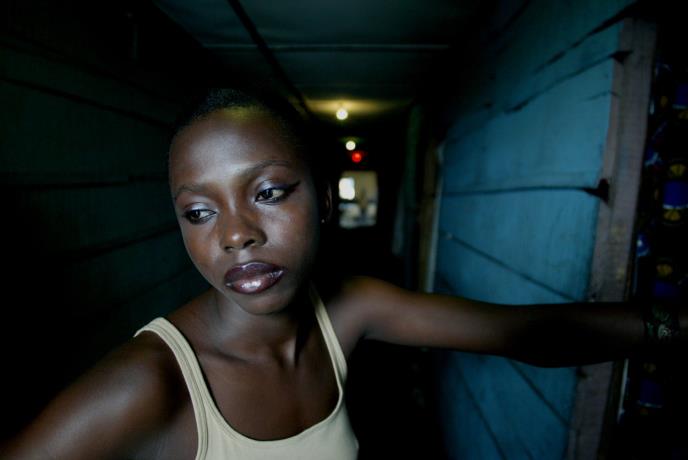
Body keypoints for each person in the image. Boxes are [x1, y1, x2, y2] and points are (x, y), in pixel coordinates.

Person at [2, 89, 684, 460]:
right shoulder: (149, 384)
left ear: (326, 201)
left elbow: (531, 333)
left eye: (269, 192)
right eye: (199, 211)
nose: (235, 233)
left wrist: (667, 324)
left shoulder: (349, 309)